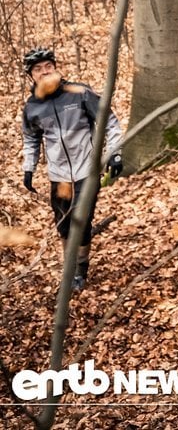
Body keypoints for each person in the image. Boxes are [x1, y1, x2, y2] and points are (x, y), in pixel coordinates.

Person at [21, 47, 123, 291]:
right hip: (59, 176)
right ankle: (70, 267)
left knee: (82, 221)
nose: (44, 72)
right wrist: (28, 168)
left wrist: (115, 153)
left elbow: (109, 120)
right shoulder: (32, 106)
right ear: (31, 75)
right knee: (63, 225)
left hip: (86, 170)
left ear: (56, 67)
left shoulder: (78, 92)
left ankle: (80, 270)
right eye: (38, 69)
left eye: (48, 66)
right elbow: (31, 138)